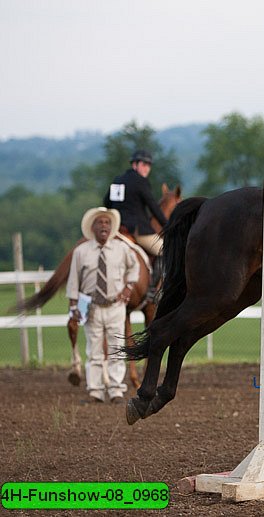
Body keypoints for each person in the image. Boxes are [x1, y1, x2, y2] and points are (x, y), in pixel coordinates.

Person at [66, 207, 139, 403]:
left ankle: (116, 390)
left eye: (107, 222)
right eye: (100, 222)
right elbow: (74, 281)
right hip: (92, 308)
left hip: (116, 306)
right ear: (93, 227)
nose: (104, 225)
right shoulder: (81, 252)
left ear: (111, 227)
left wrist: (129, 287)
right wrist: (74, 308)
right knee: (94, 351)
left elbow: (135, 267)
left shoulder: (122, 249)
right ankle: (95, 391)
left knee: (116, 349)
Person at [103, 149, 168, 257]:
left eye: (149, 165)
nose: (147, 168)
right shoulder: (141, 181)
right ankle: (161, 274)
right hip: (137, 229)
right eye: (144, 164)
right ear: (134, 164)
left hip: (115, 227)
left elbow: (107, 203)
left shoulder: (118, 180)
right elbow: (153, 206)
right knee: (167, 252)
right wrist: (168, 226)